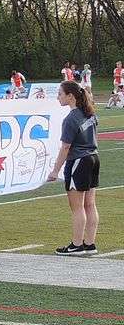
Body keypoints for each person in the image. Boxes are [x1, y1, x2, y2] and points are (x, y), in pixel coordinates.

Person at [47, 81, 100, 256]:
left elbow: (65, 148)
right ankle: (90, 243)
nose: (58, 97)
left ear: (70, 96)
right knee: (90, 204)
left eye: (60, 94)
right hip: (93, 158)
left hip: (79, 161)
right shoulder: (90, 113)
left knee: (77, 207)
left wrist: (55, 170)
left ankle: (77, 245)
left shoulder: (71, 118)